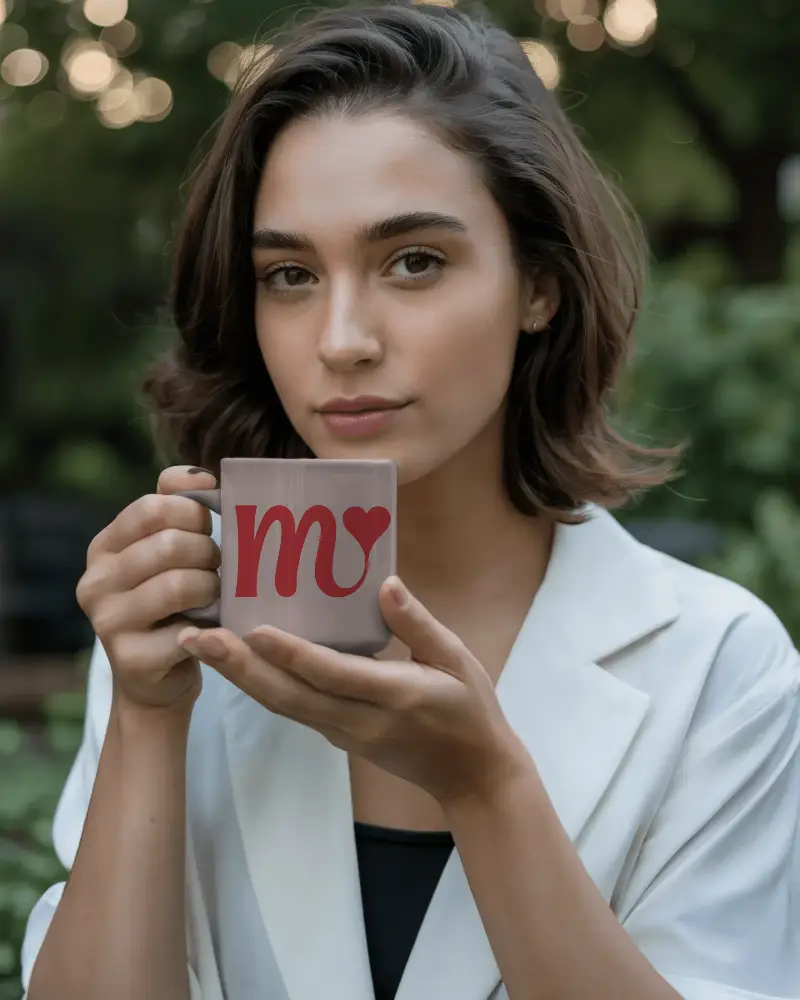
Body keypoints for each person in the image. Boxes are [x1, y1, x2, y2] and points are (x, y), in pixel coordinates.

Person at [20, 2, 799, 999]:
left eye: (414, 261)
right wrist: (144, 714)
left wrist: (482, 786)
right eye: (289, 274)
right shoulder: (180, 634)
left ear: (539, 284)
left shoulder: (719, 667)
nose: (342, 339)